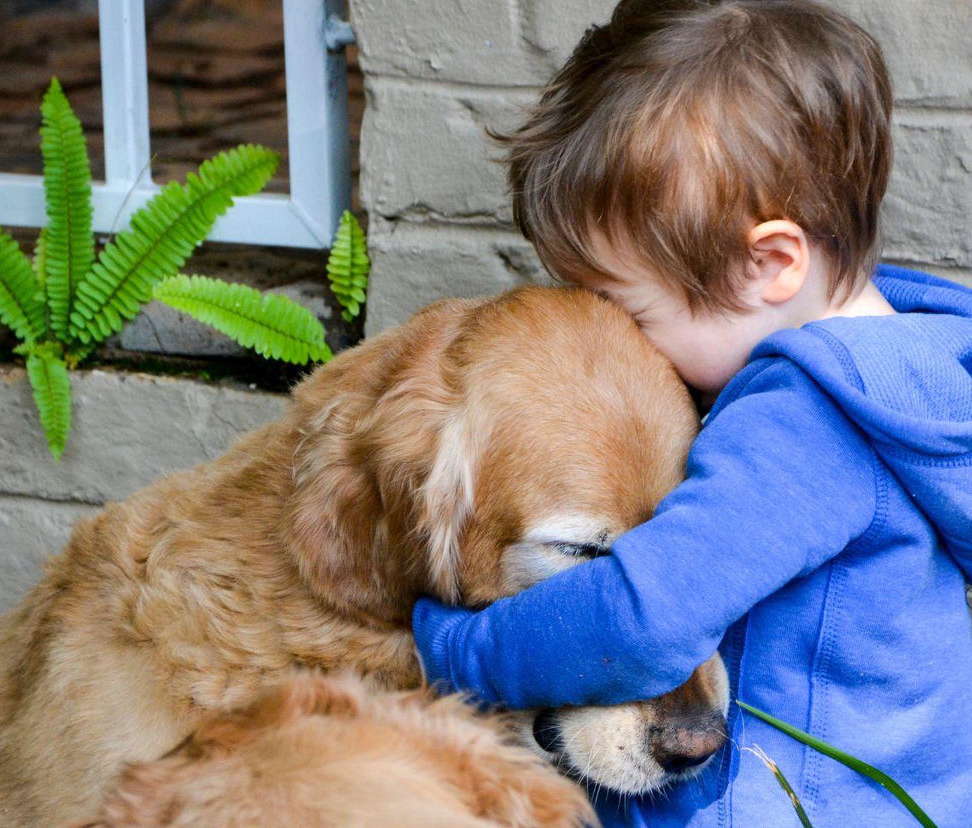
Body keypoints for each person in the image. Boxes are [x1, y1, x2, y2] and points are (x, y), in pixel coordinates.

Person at [410, 1, 972, 826]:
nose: (616, 345)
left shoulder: (807, 425)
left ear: (770, 264)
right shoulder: (914, 367)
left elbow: (641, 619)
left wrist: (457, 651)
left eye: (626, 311)